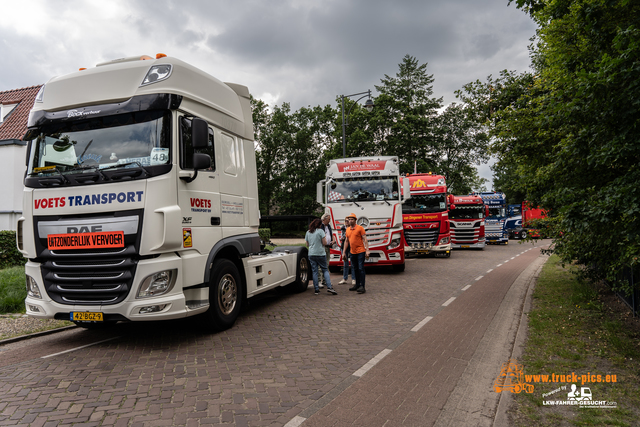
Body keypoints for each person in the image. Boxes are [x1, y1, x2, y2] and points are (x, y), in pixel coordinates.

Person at [305, 218, 338, 296]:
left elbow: (307, 244)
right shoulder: (321, 231)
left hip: (311, 253)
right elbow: (324, 243)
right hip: (320, 253)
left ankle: (316, 289)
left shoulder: (308, 232)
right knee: (325, 270)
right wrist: (327, 242)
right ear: (319, 225)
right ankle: (329, 287)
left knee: (315, 271)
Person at [342, 213, 370, 294]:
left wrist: (367, 250)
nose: (350, 221)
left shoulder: (360, 228)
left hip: (361, 251)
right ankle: (357, 285)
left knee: (361, 268)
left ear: (355, 220)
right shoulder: (347, 230)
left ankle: (362, 286)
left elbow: (365, 239)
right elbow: (346, 241)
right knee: (355, 268)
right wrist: (344, 252)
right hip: (352, 252)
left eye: (352, 219)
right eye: (349, 219)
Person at [338, 216, 355, 285]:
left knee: (353, 263)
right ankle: (345, 278)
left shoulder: (353, 228)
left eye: (348, 220)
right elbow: (342, 236)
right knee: (345, 263)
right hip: (344, 246)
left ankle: (354, 279)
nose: (347, 222)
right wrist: (342, 238)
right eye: (346, 221)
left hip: (351, 246)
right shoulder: (343, 228)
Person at [319, 213, 335, 288]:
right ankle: (320, 281)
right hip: (322, 247)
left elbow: (331, 235)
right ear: (324, 219)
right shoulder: (320, 226)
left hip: (328, 246)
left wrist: (332, 240)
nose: (329, 221)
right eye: (328, 219)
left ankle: (325, 281)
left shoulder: (328, 226)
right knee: (321, 264)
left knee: (327, 264)